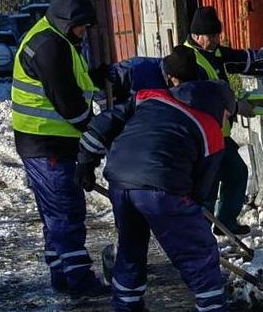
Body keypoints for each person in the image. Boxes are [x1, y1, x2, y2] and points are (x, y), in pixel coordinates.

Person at [76, 46, 236, 312]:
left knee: (130, 248)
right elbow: (199, 190)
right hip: (162, 189)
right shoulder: (210, 129)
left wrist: (85, 161)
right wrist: (185, 211)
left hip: (120, 180)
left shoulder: (148, 96)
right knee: (198, 253)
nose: (226, 120)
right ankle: (213, 307)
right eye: (229, 115)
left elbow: (104, 122)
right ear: (221, 107)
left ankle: (126, 306)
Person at [10, 0, 110, 297]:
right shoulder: (48, 47)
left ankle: (61, 275)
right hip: (46, 144)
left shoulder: (56, 37)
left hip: (46, 142)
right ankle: (80, 279)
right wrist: (96, 134)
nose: (84, 32)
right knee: (66, 211)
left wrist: (98, 77)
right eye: (81, 26)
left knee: (54, 214)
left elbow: (75, 82)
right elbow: (69, 104)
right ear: (68, 21)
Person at [184, 6, 263, 234]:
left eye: (217, 35)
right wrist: (235, 107)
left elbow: (238, 58)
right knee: (208, 183)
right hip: (202, 135)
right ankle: (199, 230)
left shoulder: (213, 52)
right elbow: (197, 100)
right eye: (211, 36)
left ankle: (225, 223)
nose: (217, 40)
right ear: (197, 36)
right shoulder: (189, 60)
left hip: (220, 134)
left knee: (236, 173)